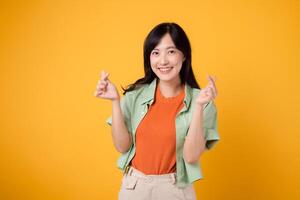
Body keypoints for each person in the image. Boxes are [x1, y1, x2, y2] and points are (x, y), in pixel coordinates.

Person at [94, 22, 220, 200]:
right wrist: (115, 102)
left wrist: (198, 106)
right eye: (156, 52)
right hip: (134, 188)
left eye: (171, 51)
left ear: (184, 55)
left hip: (175, 189)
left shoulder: (203, 102)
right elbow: (122, 146)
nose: (163, 61)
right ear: (149, 58)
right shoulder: (134, 96)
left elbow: (191, 157)